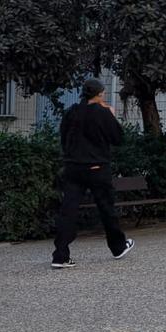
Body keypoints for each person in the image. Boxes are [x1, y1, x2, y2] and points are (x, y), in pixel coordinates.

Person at [51, 77, 134, 269]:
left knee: (68, 211)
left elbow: (63, 137)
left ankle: (60, 255)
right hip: (97, 168)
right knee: (106, 208)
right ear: (98, 94)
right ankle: (118, 247)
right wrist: (111, 116)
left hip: (72, 168)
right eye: (103, 93)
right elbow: (118, 139)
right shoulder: (102, 112)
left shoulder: (72, 112)